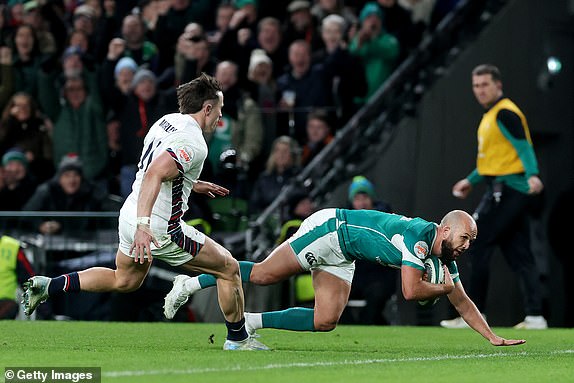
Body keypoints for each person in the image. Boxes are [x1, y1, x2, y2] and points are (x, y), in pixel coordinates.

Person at [21, 73, 269, 351]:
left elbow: (159, 169)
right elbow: (154, 173)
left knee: (124, 280)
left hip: (130, 211)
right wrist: (144, 226)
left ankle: (49, 286)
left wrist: (192, 184)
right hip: (158, 226)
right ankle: (238, 339)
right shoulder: (194, 142)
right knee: (228, 268)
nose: (220, 118)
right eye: (219, 110)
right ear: (207, 108)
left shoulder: (166, 121)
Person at [164, 208, 526, 347]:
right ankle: (191, 282)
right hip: (331, 229)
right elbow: (411, 290)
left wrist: (492, 337)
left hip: (346, 251)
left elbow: (460, 299)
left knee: (325, 321)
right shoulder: (418, 240)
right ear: (445, 230)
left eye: (471, 241)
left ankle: (251, 324)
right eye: (465, 237)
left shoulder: (442, 254)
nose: (467, 245)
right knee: (261, 275)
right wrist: (443, 287)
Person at [441, 64, 547, 330]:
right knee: (519, 253)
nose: (480, 90)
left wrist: (533, 174)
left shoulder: (505, 113)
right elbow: (493, 162)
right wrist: (471, 180)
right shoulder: (492, 116)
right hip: (501, 188)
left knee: (476, 244)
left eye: (485, 84)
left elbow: (524, 147)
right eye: (476, 86)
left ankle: (475, 315)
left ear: (498, 85)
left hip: (508, 191)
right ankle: (536, 316)